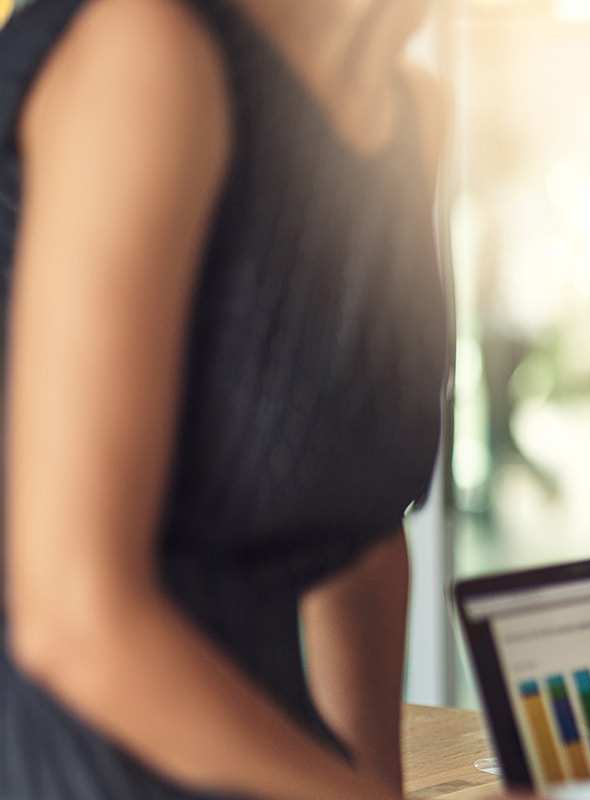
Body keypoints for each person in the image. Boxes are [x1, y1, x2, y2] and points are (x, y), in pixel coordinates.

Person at [1, 0, 451, 797]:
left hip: (251, 754)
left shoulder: (409, 118)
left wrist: (377, 783)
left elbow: (355, 532)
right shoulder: (149, 50)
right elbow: (73, 615)